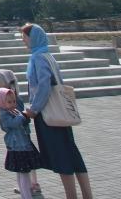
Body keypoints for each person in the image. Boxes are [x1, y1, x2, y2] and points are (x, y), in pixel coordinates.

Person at [21, 23, 93, 199]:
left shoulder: (37, 58)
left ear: (33, 38)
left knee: (60, 155)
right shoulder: (48, 55)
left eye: (25, 37)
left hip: (49, 113)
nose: (23, 40)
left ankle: (71, 196)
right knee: (71, 152)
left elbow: (44, 85)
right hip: (61, 111)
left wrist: (34, 109)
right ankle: (87, 194)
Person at [0, 68, 42, 196]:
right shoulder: (4, 111)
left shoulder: (13, 100)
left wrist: (24, 117)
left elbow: (21, 121)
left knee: (24, 170)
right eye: (10, 102)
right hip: (17, 145)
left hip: (21, 143)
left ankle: (31, 187)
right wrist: (24, 115)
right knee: (23, 171)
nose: (13, 103)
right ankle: (27, 193)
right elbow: (11, 123)